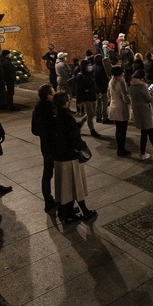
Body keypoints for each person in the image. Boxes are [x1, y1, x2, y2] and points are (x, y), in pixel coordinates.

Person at [51, 91, 97, 223]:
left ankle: (65, 210)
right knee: (75, 185)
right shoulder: (67, 118)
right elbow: (74, 139)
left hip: (58, 156)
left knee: (65, 185)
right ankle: (81, 213)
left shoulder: (53, 116)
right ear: (65, 103)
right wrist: (82, 146)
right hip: (69, 157)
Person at [30, 84, 57, 212]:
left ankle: (48, 200)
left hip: (45, 146)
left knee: (47, 174)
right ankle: (63, 201)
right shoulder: (52, 109)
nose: (55, 93)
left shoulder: (37, 108)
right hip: (56, 146)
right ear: (48, 96)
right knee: (61, 174)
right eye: (53, 92)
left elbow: (34, 130)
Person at [129, 70, 153, 161]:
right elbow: (148, 99)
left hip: (137, 110)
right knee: (146, 131)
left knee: (148, 131)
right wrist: (150, 93)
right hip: (144, 110)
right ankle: (143, 153)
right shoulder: (142, 86)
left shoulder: (131, 86)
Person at [107, 66, 131, 157]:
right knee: (123, 130)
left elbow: (109, 94)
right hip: (121, 108)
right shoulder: (121, 82)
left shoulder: (111, 81)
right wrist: (129, 102)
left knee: (118, 129)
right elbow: (125, 96)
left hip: (114, 106)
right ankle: (122, 149)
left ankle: (119, 149)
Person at [74, 58, 100, 137]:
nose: (90, 66)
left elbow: (94, 83)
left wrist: (98, 91)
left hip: (92, 95)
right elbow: (79, 89)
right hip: (86, 97)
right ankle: (92, 130)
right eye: (88, 65)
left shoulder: (90, 74)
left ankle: (80, 123)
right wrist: (79, 101)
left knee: (92, 113)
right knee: (90, 114)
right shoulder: (80, 76)